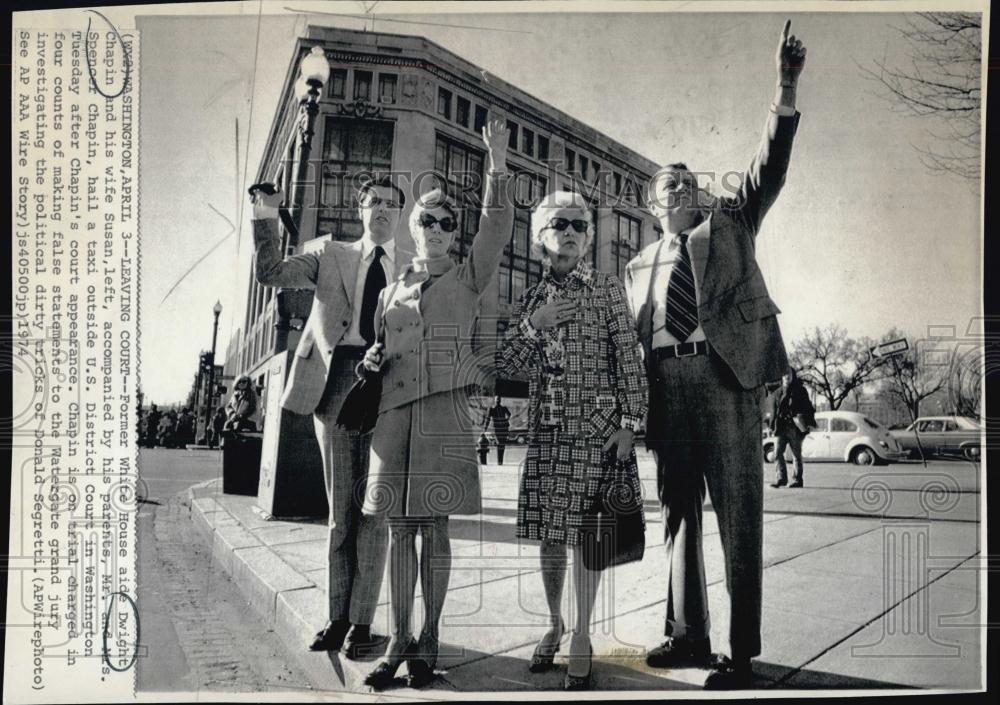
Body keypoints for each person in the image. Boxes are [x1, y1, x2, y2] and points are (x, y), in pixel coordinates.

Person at [623, 20, 806, 690]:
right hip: (666, 386)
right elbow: (631, 339)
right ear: (650, 204)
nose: (681, 190)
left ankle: (738, 649)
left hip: (724, 378)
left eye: (687, 182)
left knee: (738, 511)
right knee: (676, 512)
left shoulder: (730, 223)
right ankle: (685, 633)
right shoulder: (638, 263)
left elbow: (769, 167)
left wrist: (784, 87)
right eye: (668, 185)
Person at [359, 116, 513, 689]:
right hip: (395, 419)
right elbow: (378, 348)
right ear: (413, 225)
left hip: (445, 414)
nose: (440, 227)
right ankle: (397, 638)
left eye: (450, 222)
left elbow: (497, 226)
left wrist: (496, 162)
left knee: (436, 528)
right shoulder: (392, 287)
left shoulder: (469, 276)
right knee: (400, 529)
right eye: (429, 219)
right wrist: (370, 361)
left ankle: (430, 638)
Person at [251, 174, 408, 659]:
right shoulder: (330, 256)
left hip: (391, 387)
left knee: (375, 512)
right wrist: (266, 213)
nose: (381, 210)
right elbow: (272, 272)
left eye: (390, 204)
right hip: (338, 380)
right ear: (360, 211)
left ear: (399, 215)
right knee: (341, 512)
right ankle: (335, 619)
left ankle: (362, 624)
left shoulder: (415, 268)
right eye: (373, 202)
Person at [496, 190, 647, 691]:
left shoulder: (605, 289)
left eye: (581, 226)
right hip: (546, 433)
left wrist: (630, 423)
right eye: (560, 223)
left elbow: (629, 361)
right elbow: (508, 367)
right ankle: (554, 622)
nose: (571, 233)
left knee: (588, 535)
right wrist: (533, 329)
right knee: (549, 537)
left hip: (597, 433)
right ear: (540, 233)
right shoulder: (531, 299)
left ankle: (581, 634)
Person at [769, 368, 813, 488]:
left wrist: (806, 424)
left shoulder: (800, 391)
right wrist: (771, 426)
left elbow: (808, 408)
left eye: (789, 374)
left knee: (796, 455)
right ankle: (781, 479)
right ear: (782, 377)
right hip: (780, 427)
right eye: (785, 375)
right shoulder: (777, 393)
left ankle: (797, 480)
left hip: (795, 427)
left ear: (793, 376)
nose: (787, 377)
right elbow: (773, 411)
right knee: (777, 453)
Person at [483, 395, 512, 464]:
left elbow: (509, 414)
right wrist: (485, 428)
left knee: (503, 444)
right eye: (497, 400)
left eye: (499, 400)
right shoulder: (492, 409)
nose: (498, 401)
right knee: (499, 443)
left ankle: (500, 461)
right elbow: (488, 419)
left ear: (500, 401)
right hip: (497, 428)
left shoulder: (504, 408)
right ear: (495, 401)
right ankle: (499, 461)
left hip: (504, 428)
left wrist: (505, 420)